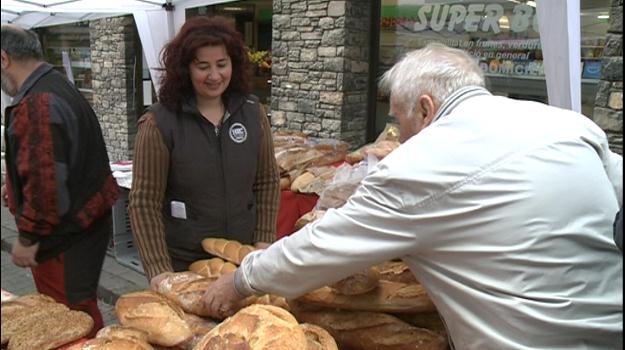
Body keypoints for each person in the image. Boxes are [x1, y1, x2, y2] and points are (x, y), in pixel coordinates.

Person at [201, 43, 623, 348]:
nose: (398, 136)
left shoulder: (420, 162)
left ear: (425, 108)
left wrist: (241, 280)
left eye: (399, 120)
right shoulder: (567, 123)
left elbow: (322, 247)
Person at [128, 16, 280, 288]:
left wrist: (263, 242)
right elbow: (144, 203)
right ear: (185, 69)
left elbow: (267, 181)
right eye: (203, 66)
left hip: (241, 264)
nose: (215, 75)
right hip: (183, 266)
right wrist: (159, 271)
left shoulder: (252, 112)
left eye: (222, 64)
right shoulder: (159, 123)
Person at [1, 24, 119, 337]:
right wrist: (14, 185)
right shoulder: (55, 85)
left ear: (3, 59)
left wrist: (27, 239)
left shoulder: (36, 102)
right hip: (82, 227)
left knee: (68, 319)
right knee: (75, 311)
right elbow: (57, 158)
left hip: (63, 238)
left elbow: (46, 188)